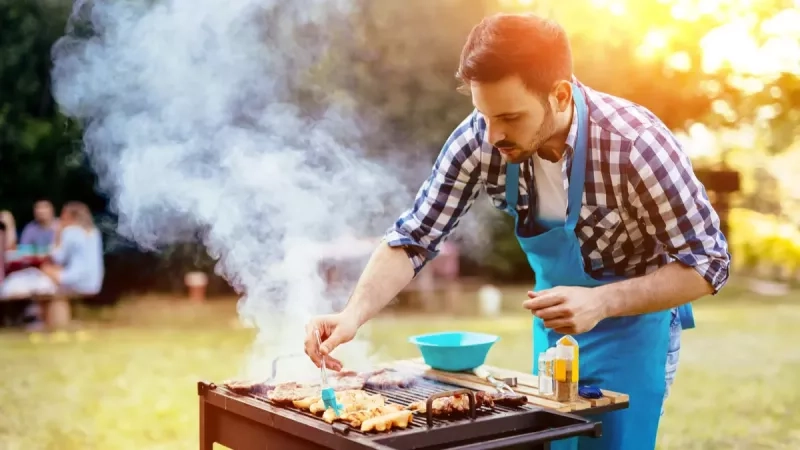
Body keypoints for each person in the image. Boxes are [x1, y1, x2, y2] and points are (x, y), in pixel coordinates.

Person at [303, 13, 730, 450]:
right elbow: (414, 237)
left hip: (634, 331)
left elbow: (709, 262)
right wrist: (351, 314)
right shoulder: (479, 137)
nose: (492, 135)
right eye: (483, 114)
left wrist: (602, 301)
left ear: (560, 95)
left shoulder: (635, 145)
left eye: (509, 116)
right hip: (554, 338)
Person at [39, 201, 105, 297]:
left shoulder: (70, 231)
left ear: (70, 217)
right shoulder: (94, 232)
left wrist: (58, 234)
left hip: (74, 280)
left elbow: (58, 258)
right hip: (94, 283)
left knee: (43, 271)